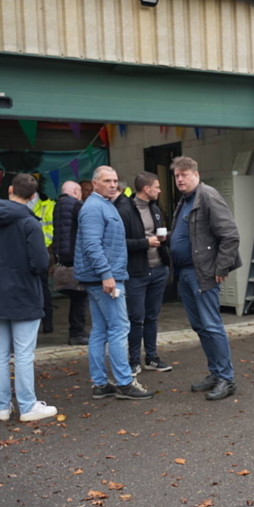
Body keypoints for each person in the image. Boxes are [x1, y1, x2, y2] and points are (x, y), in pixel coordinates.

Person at [0, 174, 58, 423]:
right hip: (24, 294)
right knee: (23, 354)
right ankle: (27, 406)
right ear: (32, 197)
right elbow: (40, 262)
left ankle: (2, 407)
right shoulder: (31, 223)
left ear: (9, 190)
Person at [74, 166, 155, 401]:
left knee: (100, 331)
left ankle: (101, 384)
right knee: (120, 328)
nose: (112, 185)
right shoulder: (93, 208)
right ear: (95, 183)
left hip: (102, 277)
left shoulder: (104, 205)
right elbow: (92, 245)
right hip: (106, 279)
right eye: (107, 181)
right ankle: (124, 383)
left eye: (115, 181)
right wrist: (107, 275)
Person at [170, 156, 242, 401]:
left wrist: (221, 268)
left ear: (196, 175)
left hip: (203, 273)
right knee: (200, 326)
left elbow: (230, 235)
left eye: (184, 174)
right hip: (185, 273)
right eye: (177, 175)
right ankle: (215, 372)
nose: (180, 179)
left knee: (212, 325)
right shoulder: (185, 200)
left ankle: (226, 379)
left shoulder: (207, 196)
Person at [115, 171, 172, 375]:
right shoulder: (124, 211)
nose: (159, 190)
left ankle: (152, 357)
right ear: (146, 189)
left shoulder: (155, 209)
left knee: (152, 316)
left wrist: (165, 239)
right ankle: (133, 361)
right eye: (156, 187)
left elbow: (159, 232)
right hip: (136, 273)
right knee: (135, 318)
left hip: (158, 270)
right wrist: (144, 243)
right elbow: (118, 243)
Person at [53, 181, 89, 345]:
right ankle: (77, 332)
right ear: (76, 191)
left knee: (76, 298)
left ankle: (76, 331)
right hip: (76, 259)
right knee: (80, 297)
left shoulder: (57, 206)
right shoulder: (77, 206)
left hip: (63, 259)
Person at [28, 190, 56, 333]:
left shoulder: (47, 205)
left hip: (43, 251)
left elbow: (52, 229)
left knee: (43, 289)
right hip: (27, 252)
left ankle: (47, 322)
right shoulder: (23, 205)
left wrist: (45, 246)